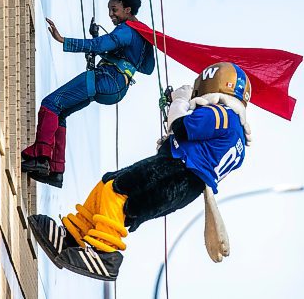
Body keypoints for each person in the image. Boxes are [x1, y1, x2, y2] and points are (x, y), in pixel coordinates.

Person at [28, 62, 252, 280]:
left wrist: (181, 100)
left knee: (118, 190)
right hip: (182, 180)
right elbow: (199, 145)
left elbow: (182, 126)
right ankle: (74, 236)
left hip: (178, 172)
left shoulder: (223, 114)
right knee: (108, 184)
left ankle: (106, 255)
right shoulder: (238, 137)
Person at [21, 0, 155, 188]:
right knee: (60, 112)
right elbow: (147, 68)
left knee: (50, 103)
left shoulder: (126, 30)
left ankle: (40, 158)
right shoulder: (141, 34)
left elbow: (101, 46)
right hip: (118, 87)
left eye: (114, 10)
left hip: (106, 78)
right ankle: (56, 170)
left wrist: (64, 40)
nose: (111, 15)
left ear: (128, 10)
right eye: (110, 9)